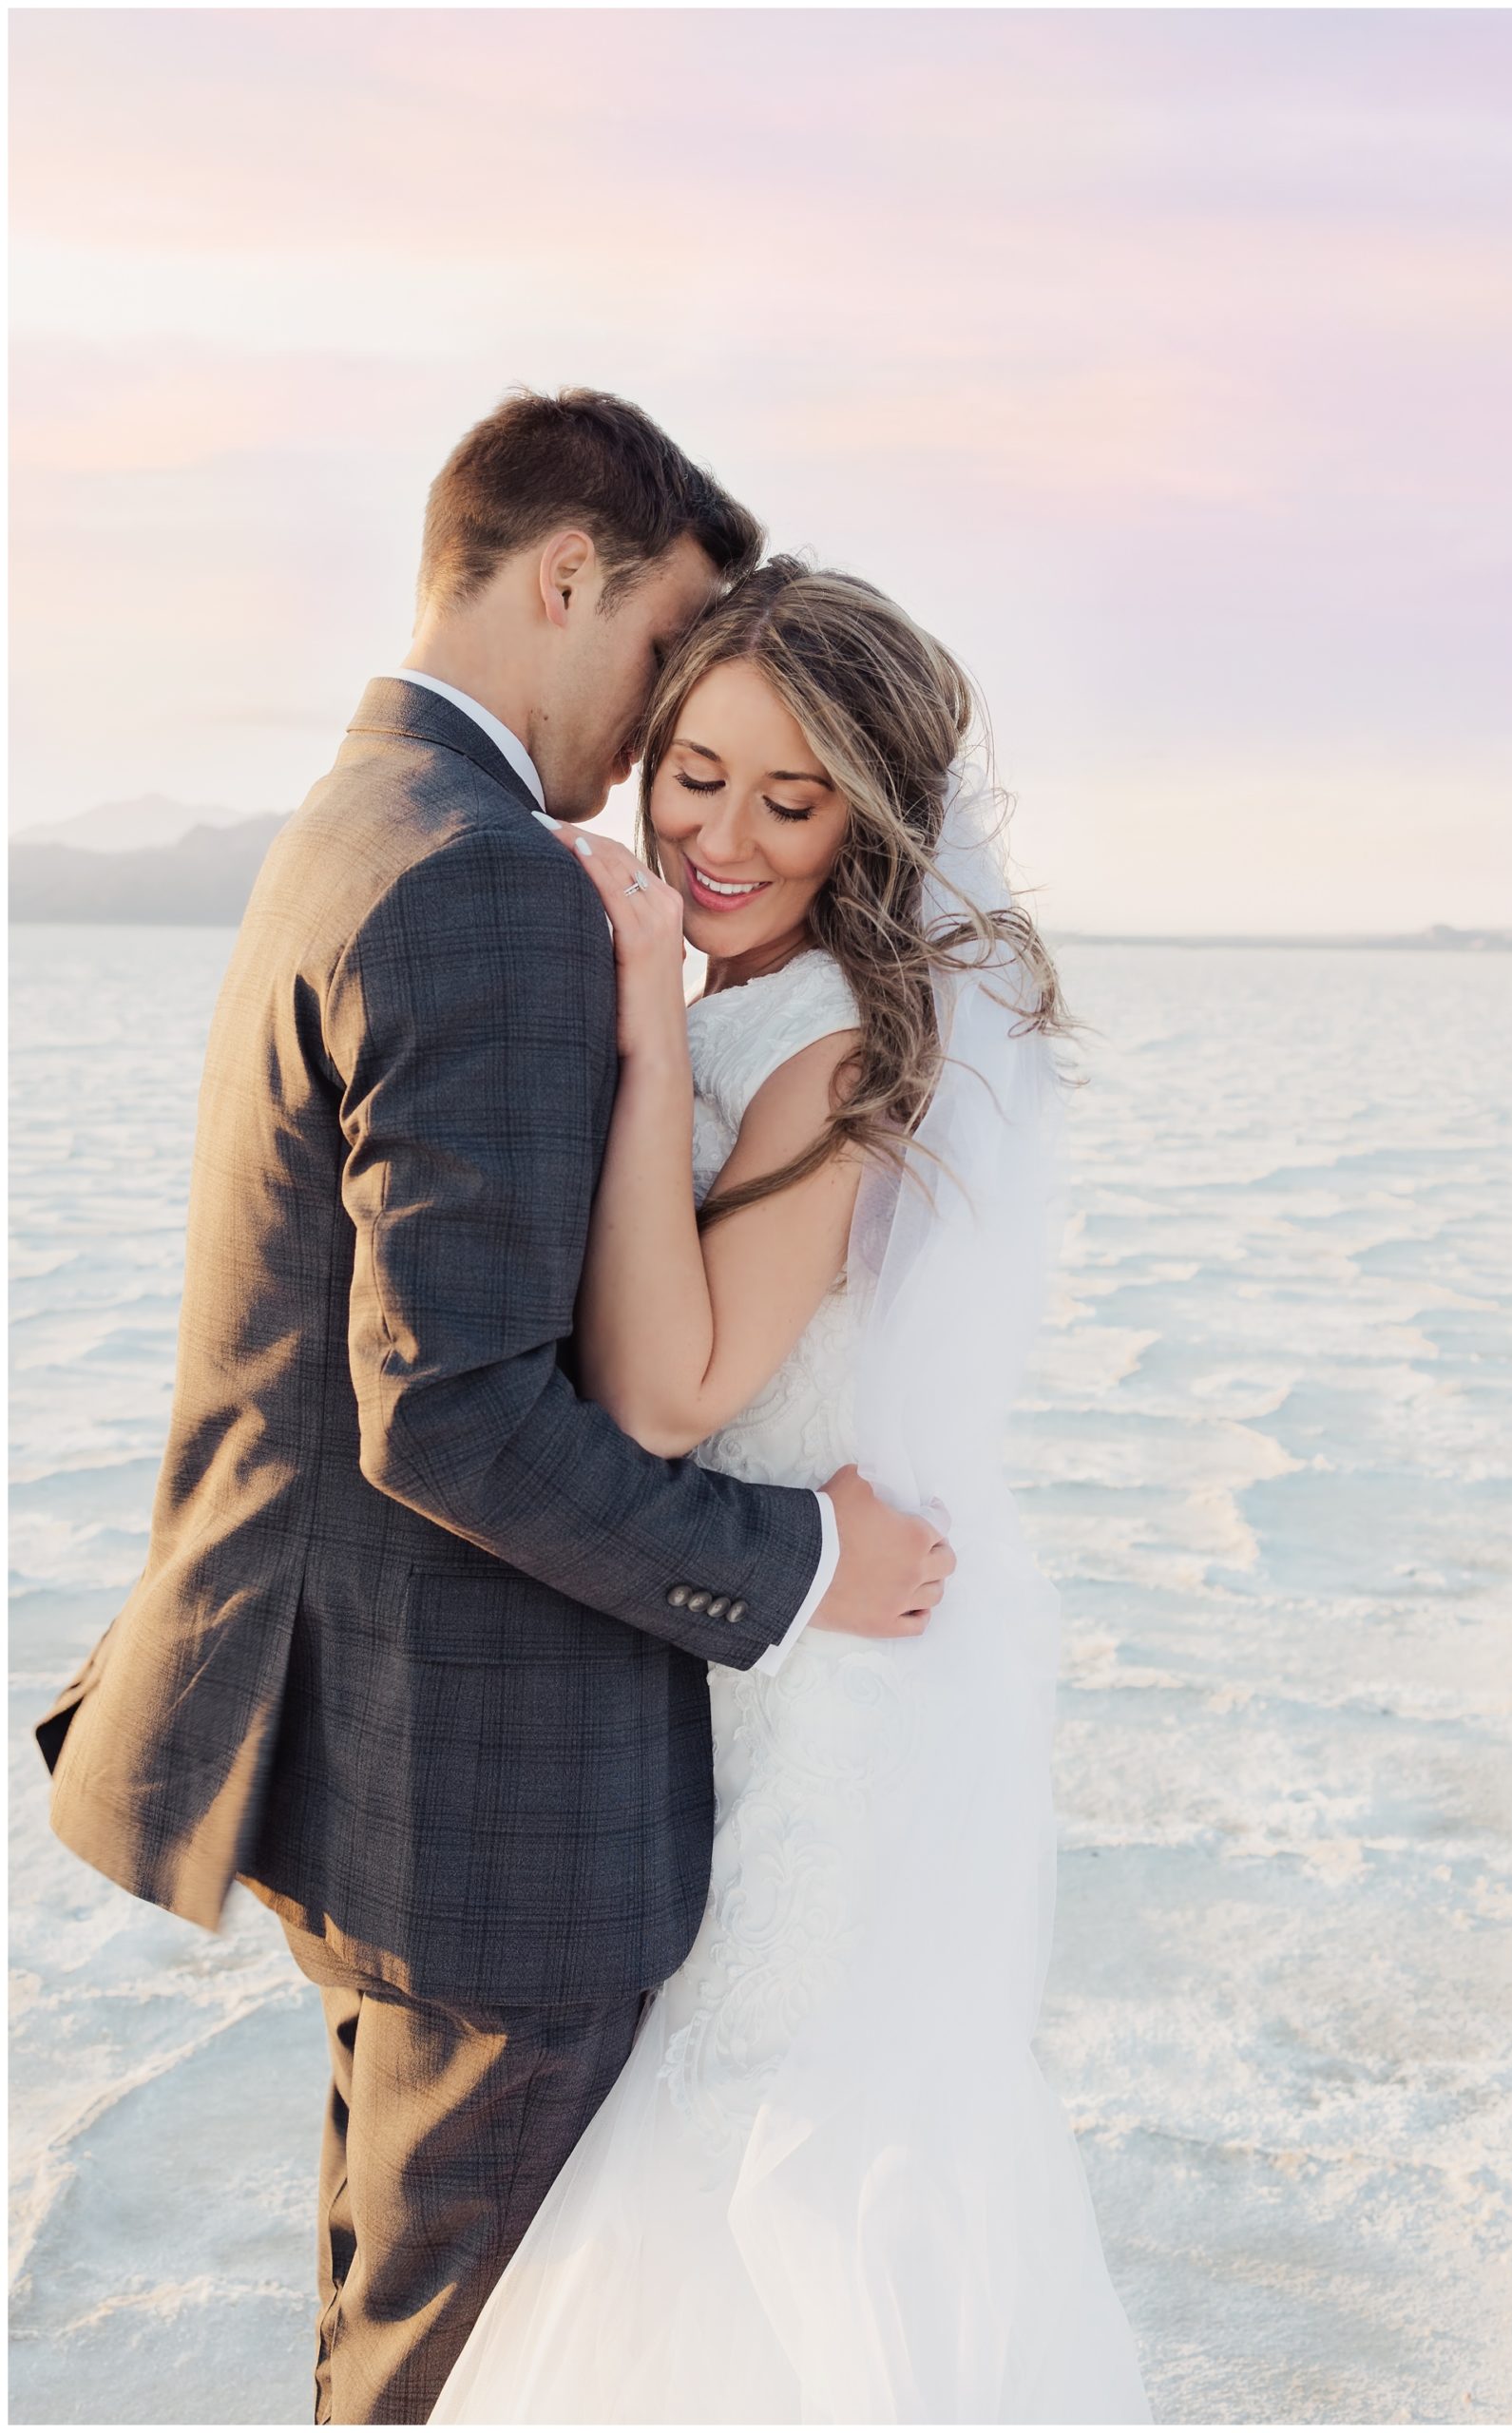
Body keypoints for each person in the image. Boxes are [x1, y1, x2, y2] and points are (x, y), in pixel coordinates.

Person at [33, 392, 953, 2427]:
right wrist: (803, 1557)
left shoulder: (360, 820)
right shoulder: (485, 884)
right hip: (487, 1808)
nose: (651, 768)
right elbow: (452, 1415)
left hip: (381, 1764)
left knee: (401, 2339)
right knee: (450, 2379)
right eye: (661, 675)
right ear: (568, 578)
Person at [430, 556, 1153, 2423]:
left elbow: (668, 1393)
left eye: (789, 796)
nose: (723, 833)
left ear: (864, 816)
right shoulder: (759, 992)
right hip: (740, 1655)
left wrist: (649, 1011)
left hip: (819, 1718)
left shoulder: (824, 1041)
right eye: (695, 771)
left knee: (764, 2167)